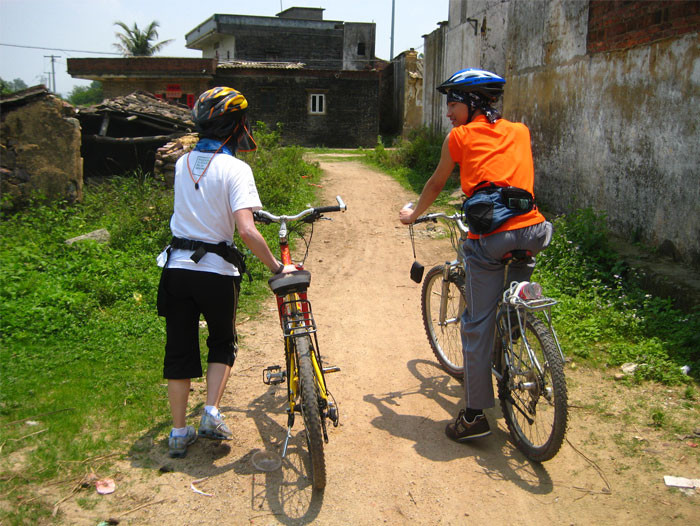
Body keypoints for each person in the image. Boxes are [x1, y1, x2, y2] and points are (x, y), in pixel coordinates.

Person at [399, 69, 552, 443]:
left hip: (492, 239)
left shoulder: (460, 137)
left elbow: (437, 182)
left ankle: (472, 415)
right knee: (510, 302)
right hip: (534, 230)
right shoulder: (521, 131)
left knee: (476, 322)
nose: (448, 113)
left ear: (472, 103)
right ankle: (516, 339)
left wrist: (413, 214)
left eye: (452, 104)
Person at [156, 87, 295, 458]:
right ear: (236, 126)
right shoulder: (236, 168)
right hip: (217, 272)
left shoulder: (181, 163)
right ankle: (211, 413)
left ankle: (177, 432)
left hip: (176, 269)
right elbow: (247, 230)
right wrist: (277, 267)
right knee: (221, 341)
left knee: (179, 348)